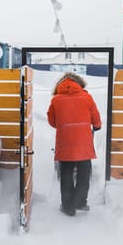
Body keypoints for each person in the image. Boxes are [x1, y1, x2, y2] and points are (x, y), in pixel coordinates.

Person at [47, 72, 102, 216]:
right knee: (84, 173)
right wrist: (96, 126)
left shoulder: (56, 99)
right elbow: (96, 117)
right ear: (79, 83)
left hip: (65, 141)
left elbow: (52, 121)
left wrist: (64, 124)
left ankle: (67, 207)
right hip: (83, 142)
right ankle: (80, 202)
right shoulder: (86, 97)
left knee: (66, 174)